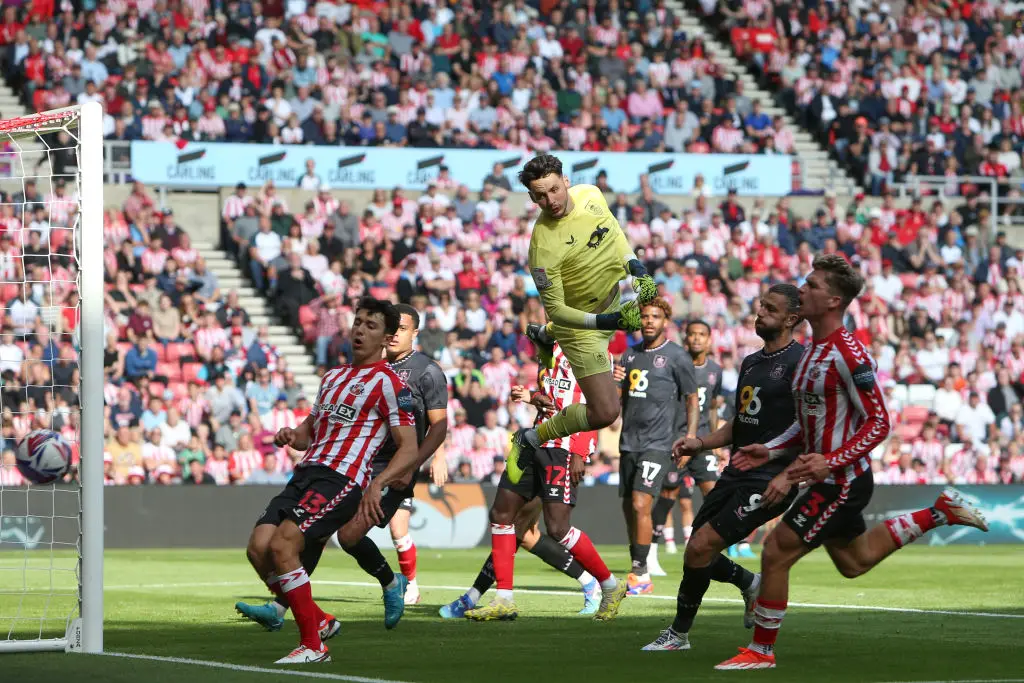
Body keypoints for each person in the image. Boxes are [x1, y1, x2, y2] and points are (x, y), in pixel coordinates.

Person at [714, 256, 988, 671]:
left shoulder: (849, 355)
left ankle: (761, 651)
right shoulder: (809, 354)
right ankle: (939, 512)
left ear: (833, 300)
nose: (801, 290)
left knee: (775, 552)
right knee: (853, 562)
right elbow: (808, 422)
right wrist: (771, 450)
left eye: (811, 286)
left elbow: (880, 422)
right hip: (826, 476)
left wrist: (830, 462)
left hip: (841, 482)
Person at [237, 304, 449, 629]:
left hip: (384, 468)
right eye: (357, 323)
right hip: (327, 467)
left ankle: (390, 584)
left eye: (375, 326)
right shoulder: (335, 376)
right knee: (297, 539)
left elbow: (436, 426)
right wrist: (293, 435)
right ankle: (289, 609)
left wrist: (422, 462)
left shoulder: (422, 373)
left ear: (403, 333)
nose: (361, 330)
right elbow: (312, 430)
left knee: (347, 536)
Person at [641, 284, 805, 652]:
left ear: (792, 318)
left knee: (700, 546)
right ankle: (750, 584)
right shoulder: (751, 362)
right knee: (695, 552)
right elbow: (740, 422)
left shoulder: (802, 363)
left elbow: (810, 428)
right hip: (736, 471)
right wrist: (700, 442)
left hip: (769, 478)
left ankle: (680, 634)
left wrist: (787, 473)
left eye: (770, 309)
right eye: (761, 306)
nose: (759, 312)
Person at [439, 343, 620, 620]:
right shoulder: (550, 346)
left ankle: (608, 585)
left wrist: (582, 451)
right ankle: (504, 599)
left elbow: (597, 408)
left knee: (557, 528)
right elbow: (554, 396)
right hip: (536, 439)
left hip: (564, 447)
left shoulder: (590, 350)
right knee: (502, 515)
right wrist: (533, 396)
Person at [506, 154, 657, 485]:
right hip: (581, 328)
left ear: (567, 181)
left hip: (613, 298)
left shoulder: (591, 194)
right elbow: (558, 309)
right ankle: (529, 439)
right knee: (606, 412)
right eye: (540, 196)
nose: (550, 201)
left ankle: (547, 336)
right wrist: (609, 322)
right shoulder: (543, 245)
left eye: (555, 190)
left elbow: (614, 234)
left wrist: (636, 267)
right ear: (531, 198)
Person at [613, 298, 698, 595]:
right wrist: (615, 383)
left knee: (640, 503)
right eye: (645, 316)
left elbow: (691, 399)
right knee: (628, 508)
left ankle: (641, 573)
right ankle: (639, 566)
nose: (649, 321)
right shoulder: (628, 356)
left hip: (659, 443)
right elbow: (617, 404)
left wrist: (689, 438)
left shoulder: (677, 356)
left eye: (656, 316)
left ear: (666, 321)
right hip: (628, 442)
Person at [649, 318, 728, 577]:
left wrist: (716, 444)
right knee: (668, 496)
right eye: (692, 334)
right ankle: (649, 554)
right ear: (686, 338)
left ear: (709, 339)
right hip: (676, 441)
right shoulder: (675, 366)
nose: (696, 338)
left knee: (714, 494)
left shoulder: (715, 370)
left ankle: (709, 549)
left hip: (703, 442)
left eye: (701, 334)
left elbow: (713, 409)